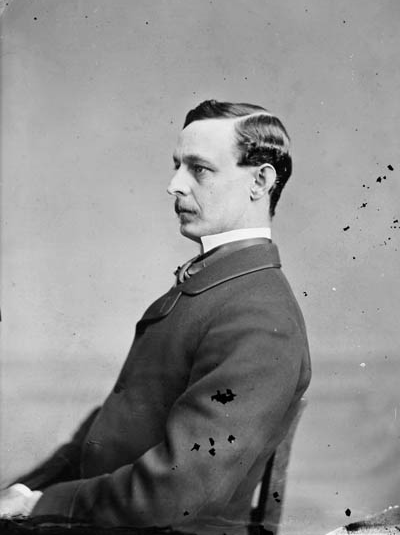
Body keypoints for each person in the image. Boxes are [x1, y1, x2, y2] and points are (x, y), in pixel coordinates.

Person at [0, 100, 311, 535]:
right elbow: (102, 434)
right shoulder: (213, 289)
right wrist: (23, 492)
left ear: (260, 181)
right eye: (177, 166)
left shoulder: (258, 315)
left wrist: (40, 503)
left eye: (199, 169)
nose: (174, 185)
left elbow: (180, 487)